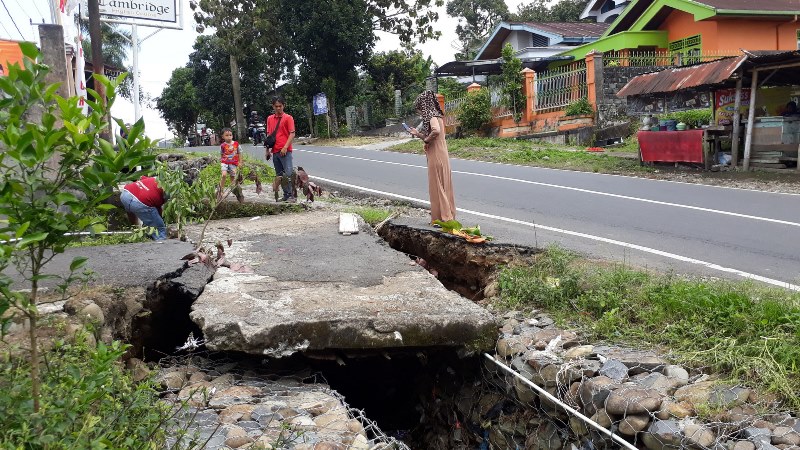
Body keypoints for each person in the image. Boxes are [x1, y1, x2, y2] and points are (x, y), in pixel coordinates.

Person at [409, 90, 456, 225]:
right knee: (444, 185)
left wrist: (426, 140)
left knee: (436, 186)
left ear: (424, 105)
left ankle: (442, 218)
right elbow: (434, 135)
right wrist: (417, 134)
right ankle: (448, 215)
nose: (419, 112)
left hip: (436, 155)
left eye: (419, 109)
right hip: (442, 153)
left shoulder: (431, 116)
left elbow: (436, 131)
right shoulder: (438, 116)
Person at [265, 96, 296, 202]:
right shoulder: (270, 119)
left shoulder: (288, 118)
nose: (278, 108)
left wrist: (285, 147)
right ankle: (286, 194)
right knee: (279, 175)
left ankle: (292, 195)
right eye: (276, 106)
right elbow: (269, 135)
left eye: (280, 106)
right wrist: (267, 150)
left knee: (288, 173)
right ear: (273, 106)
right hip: (275, 151)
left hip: (285, 151)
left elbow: (292, 134)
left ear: (284, 106)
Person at [121, 176, 168, 241]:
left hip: (125, 193)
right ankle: (160, 244)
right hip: (140, 202)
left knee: (148, 219)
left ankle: (141, 235)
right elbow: (157, 209)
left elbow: (142, 178)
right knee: (159, 229)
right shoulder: (169, 190)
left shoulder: (156, 178)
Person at [218, 128, 243, 202]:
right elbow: (221, 154)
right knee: (224, 175)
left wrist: (240, 162)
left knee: (233, 177)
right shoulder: (222, 145)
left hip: (233, 163)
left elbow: (240, 153)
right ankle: (221, 191)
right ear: (223, 137)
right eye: (226, 135)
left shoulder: (236, 144)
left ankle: (234, 190)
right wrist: (222, 161)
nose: (229, 137)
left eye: (230, 135)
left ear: (232, 136)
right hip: (225, 162)